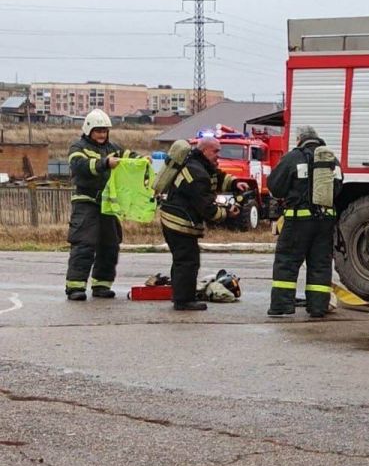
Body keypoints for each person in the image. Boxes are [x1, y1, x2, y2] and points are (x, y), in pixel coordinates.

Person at [159, 136, 248, 311]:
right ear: (204, 150)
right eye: (215, 151)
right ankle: (184, 301)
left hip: (175, 219)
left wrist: (235, 183)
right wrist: (228, 213)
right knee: (188, 261)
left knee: (181, 260)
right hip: (180, 222)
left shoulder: (198, 165)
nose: (218, 155)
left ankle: (179, 295)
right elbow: (207, 209)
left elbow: (216, 177)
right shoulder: (197, 173)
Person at [65, 109, 141, 301]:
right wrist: (105, 163)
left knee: (110, 245)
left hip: (107, 204)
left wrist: (142, 161)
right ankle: (75, 286)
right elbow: (80, 166)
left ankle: (102, 285)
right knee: (84, 244)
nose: (102, 134)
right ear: (89, 130)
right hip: (86, 201)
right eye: (98, 131)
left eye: (105, 131)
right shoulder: (78, 147)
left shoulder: (113, 148)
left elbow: (129, 156)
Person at [266, 126, 342, 317]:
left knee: (287, 263)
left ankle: (282, 307)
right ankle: (318, 308)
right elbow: (339, 188)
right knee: (320, 265)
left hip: (298, 221)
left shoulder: (293, 157)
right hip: (325, 221)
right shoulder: (332, 160)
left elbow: (276, 186)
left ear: (299, 139)